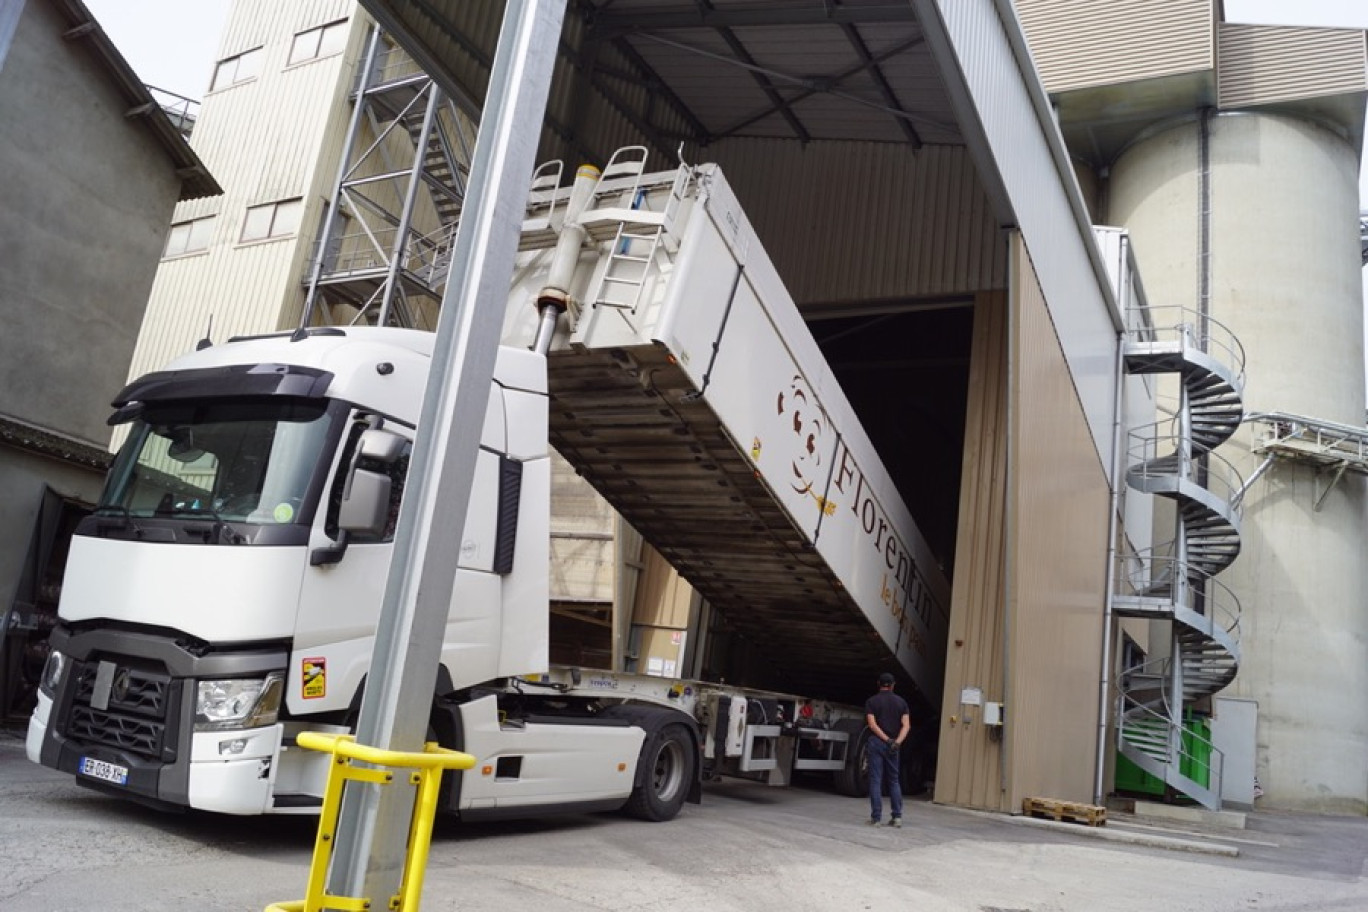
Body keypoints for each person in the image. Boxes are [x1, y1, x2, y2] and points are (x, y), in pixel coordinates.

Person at [864, 671, 910, 827]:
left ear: (878, 684)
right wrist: (897, 742)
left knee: (876, 780)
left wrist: (886, 740)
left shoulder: (872, 701)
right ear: (893, 685)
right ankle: (897, 817)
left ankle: (876, 818)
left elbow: (872, 724)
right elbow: (906, 725)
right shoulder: (901, 702)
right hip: (894, 746)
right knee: (894, 780)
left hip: (877, 743)